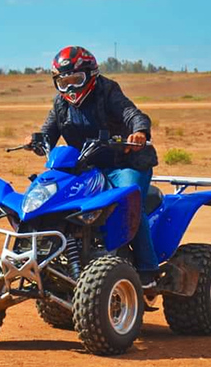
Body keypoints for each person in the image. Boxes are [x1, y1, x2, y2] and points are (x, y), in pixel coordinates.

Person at [32, 45, 160, 288]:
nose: (70, 88)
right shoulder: (61, 104)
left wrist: (139, 132)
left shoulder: (108, 91)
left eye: (76, 80)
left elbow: (132, 114)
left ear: (90, 75)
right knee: (62, 202)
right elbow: (48, 131)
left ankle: (147, 271)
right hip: (88, 168)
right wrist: (37, 140)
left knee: (129, 202)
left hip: (126, 163)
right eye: (63, 81)